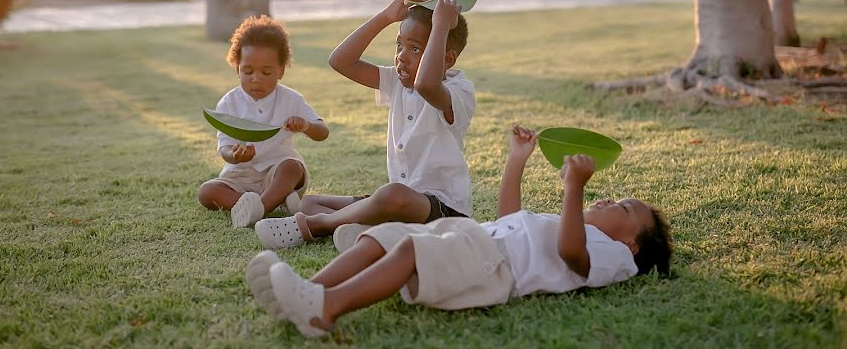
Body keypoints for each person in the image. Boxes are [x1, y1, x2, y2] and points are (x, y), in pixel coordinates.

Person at [246, 125, 673, 338]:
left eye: (622, 206)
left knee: (409, 250)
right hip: (477, 237)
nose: (609, 201)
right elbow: (509, 218)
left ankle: (326, 309)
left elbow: (571, 255)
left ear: (632, 243)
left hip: (493, 267)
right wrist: (517, 160)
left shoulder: (613, 256)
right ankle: (307, 291)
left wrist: (574, 189)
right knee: (382, 238)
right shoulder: (568, 224)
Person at [253, 0, 474, 250]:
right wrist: (385, 17)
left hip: (443, 212)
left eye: (415, 48)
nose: (402, 56)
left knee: (391, 194)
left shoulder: (458, 91)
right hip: (398, 203)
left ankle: (316, 226)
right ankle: (366, 229)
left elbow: (427, 84)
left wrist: (440, 26)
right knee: (310, 203)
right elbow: (340, 61)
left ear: (447, 58)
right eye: (399, 44)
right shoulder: (398, 82)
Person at [197, 15, 329, 228]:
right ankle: (273, 203)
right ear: (237, 69)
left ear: (281, 71)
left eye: (266, 72)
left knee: (292, 168)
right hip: (240, 177)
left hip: (277, 172)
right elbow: (224, 148)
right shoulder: (229, 103)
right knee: (207, 192)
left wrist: (305, 125)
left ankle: (260, 208)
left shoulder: (291, 99)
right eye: (247, 71)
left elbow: (322, 131)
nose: (256, 78)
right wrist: (235, 155)